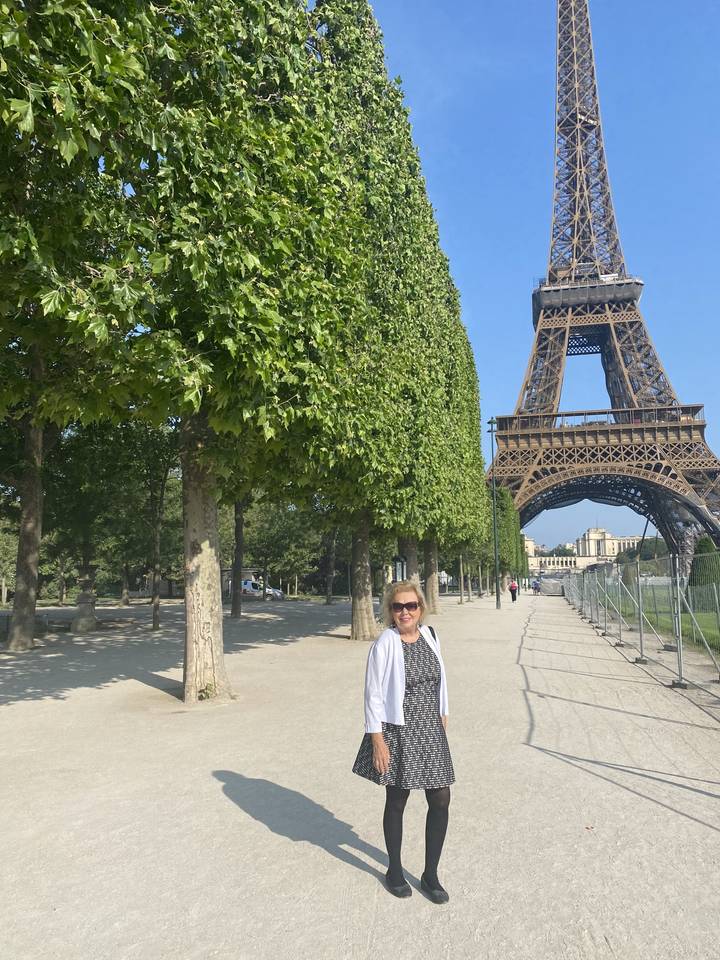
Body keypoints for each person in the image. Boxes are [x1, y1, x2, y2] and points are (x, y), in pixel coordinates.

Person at [352, 580, 454, 904]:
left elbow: (441, 677)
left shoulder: (431, 636)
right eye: (398, 607)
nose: (405, 612)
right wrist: (377, 740)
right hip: (398, 729)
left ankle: (430, 873)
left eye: (411, 606)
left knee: (440, 799)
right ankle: (394, 869)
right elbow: (373, 695)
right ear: (390, 611)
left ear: (420, 608)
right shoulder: (385, 643)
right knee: (397, 800)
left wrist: (444, 710)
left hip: (430, 729)